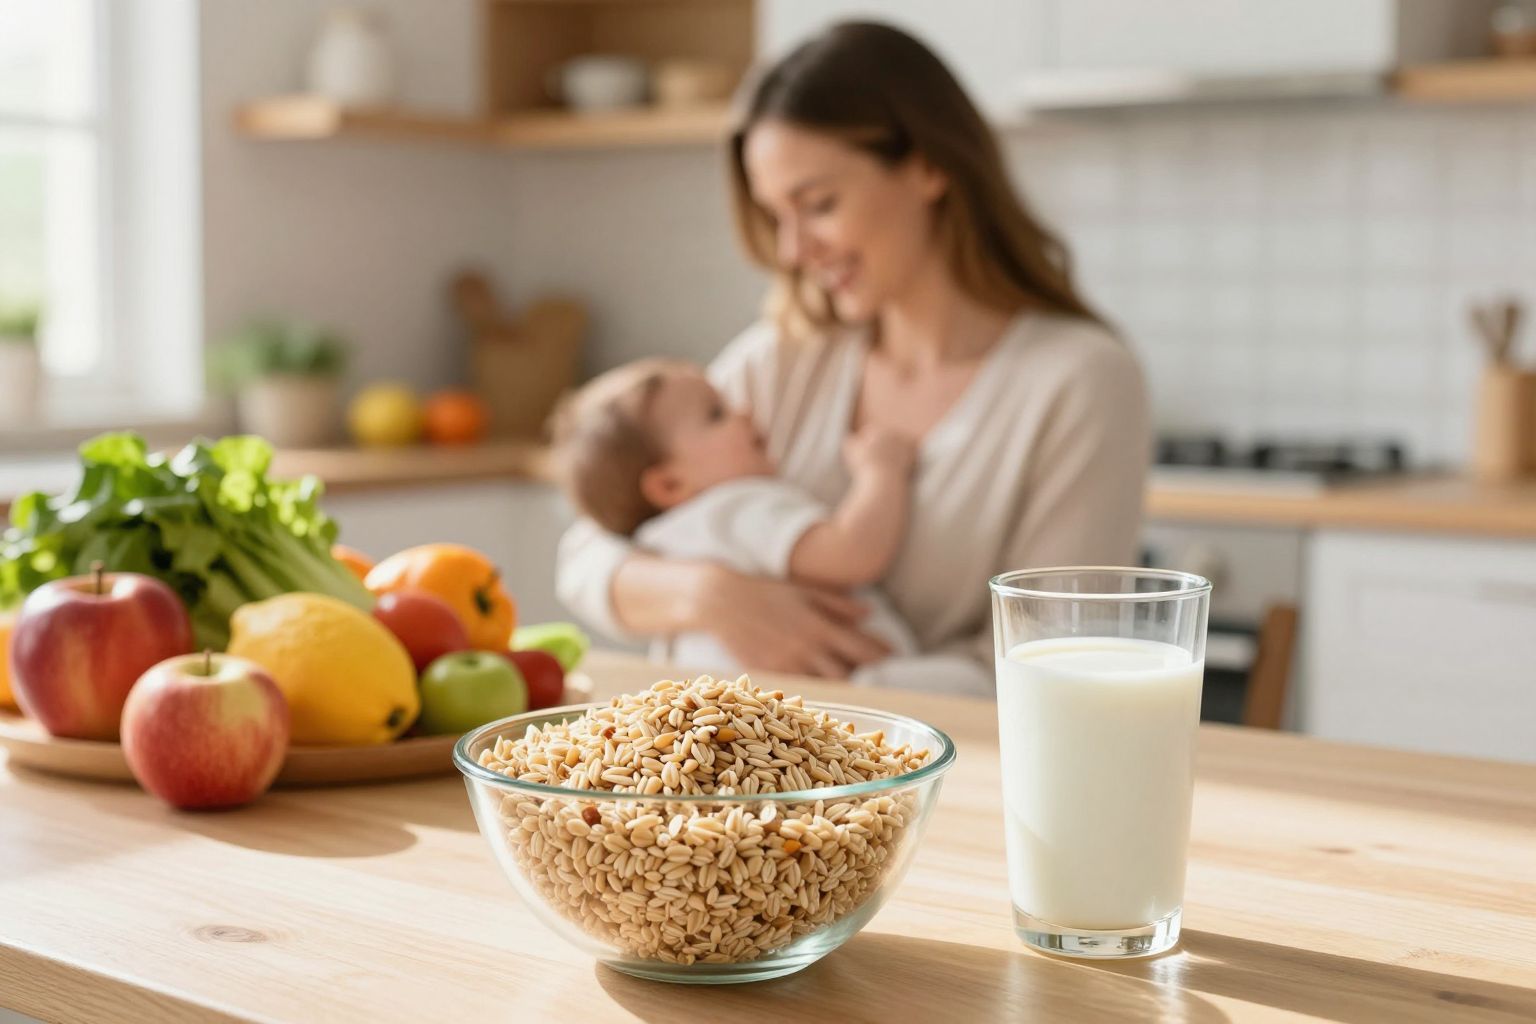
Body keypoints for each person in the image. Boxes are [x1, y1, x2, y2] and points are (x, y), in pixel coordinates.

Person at [556, 21, 1149, 693]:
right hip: (743, 783)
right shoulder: (787, 358)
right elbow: (589, 550)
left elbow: (1056, 670)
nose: (792, 252)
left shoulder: (1080, 382)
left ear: (929, 166)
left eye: (819, 205)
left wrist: (838, 694)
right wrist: (711, 595)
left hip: (946, 781)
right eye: (776, 215)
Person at [550, 357, 925, 682]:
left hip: (726, 705)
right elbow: (851, 553)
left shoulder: (655, 538)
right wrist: (882, 471)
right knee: (962, 682)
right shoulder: (735, 509)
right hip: (849, 681)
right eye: (717, 414)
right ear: (669, 483)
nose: (745, 411)